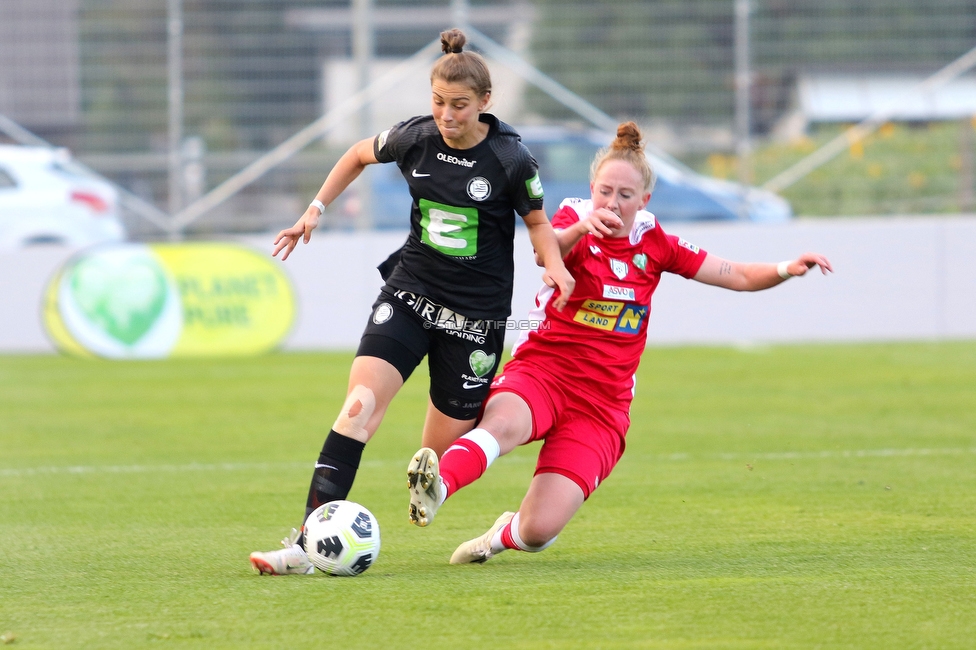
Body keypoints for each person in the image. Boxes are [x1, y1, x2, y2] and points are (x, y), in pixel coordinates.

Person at [406, 121, 833, 564]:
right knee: (503, 426)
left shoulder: (657, 243)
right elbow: (543, 250)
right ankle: (439, 487)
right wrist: (581, 231)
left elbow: (738, 275)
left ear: (643, 201)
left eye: (625, 195)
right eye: (605, 191)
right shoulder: (573, 218)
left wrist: (786, 267)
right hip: (544, 371)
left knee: (538, 531)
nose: (612, 202)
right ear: (592, 188)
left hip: (602, 405)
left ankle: (497, 537)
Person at [249, 28, 575, 575]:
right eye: (438, 103)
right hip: (411, 292)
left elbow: (539, 225)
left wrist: (557, 265)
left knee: (441, 457)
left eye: (459, 106)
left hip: (474, 320)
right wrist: (315, 209)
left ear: (485, 104)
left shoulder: (511, 159)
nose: (446, 115)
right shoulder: (415, 138)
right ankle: (305, 546)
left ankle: (484, 502)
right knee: (358, 409)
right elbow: (356, 154)